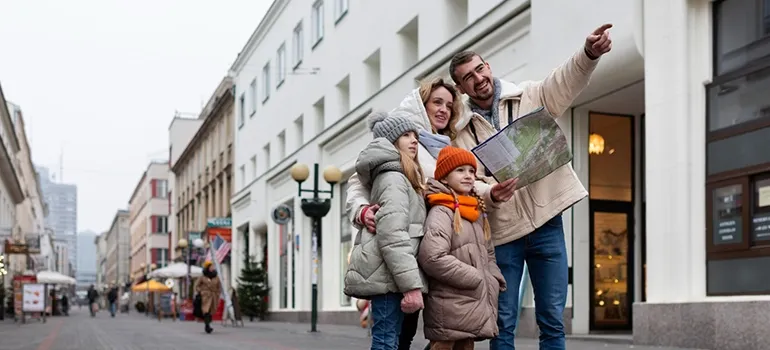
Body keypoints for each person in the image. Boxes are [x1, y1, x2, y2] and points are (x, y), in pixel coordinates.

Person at [448, 24, 614, 350]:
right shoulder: (462, 132)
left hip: (546, 223)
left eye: (480, 69)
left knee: (552, 317)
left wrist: (589, 54)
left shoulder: (528, 95)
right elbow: (469, 182)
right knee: (503, 321)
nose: (478, 78)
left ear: (489, 67)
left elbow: (564, 80)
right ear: (461, 87)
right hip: (503, 234)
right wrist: (489, 194)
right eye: (468, 76)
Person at [345, 77, 466, 350]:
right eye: (437, 102)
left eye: (449, 104)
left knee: (418, 333)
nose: (443, 109)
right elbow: (359, 185)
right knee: (394, 337)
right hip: (403, 263)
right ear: (422, 104)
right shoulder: (395, 158)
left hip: (431, 256)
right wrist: (362, 211)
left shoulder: (452, 145)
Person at [344, 111, 428, 350]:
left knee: (389, 339)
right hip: (388, 277)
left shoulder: (402, 176)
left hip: (391, 275)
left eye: (415, 135)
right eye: (406, 135)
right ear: (391, 142)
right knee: (385, 341)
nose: (414, 140)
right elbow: (393, 236)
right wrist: (411, 286)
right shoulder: (393, 177)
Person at [419, 146, 507, 350]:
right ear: (444, 178)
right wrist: (475, 276)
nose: (468, 176)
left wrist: (492, 276)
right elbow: (432, 257)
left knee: (466, 345)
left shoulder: (474, 212)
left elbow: (489, 253)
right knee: (443, 346)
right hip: (450, 303)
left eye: (471, 171)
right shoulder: (442, 210)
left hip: (469, 302)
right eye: (460, 170)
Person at [195, 261, 221, 334]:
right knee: (206, 311)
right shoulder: (202, 277)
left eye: (213, 267)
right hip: (205, 296)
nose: (212, 268)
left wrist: (218, 294)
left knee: (211, 311)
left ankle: (208, 323)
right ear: (207, 267)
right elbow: (197, 286)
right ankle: (207, 326)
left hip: (213, 296)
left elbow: (219, 286)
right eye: (211, 266)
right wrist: (201, 292)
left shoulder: (216, 276)